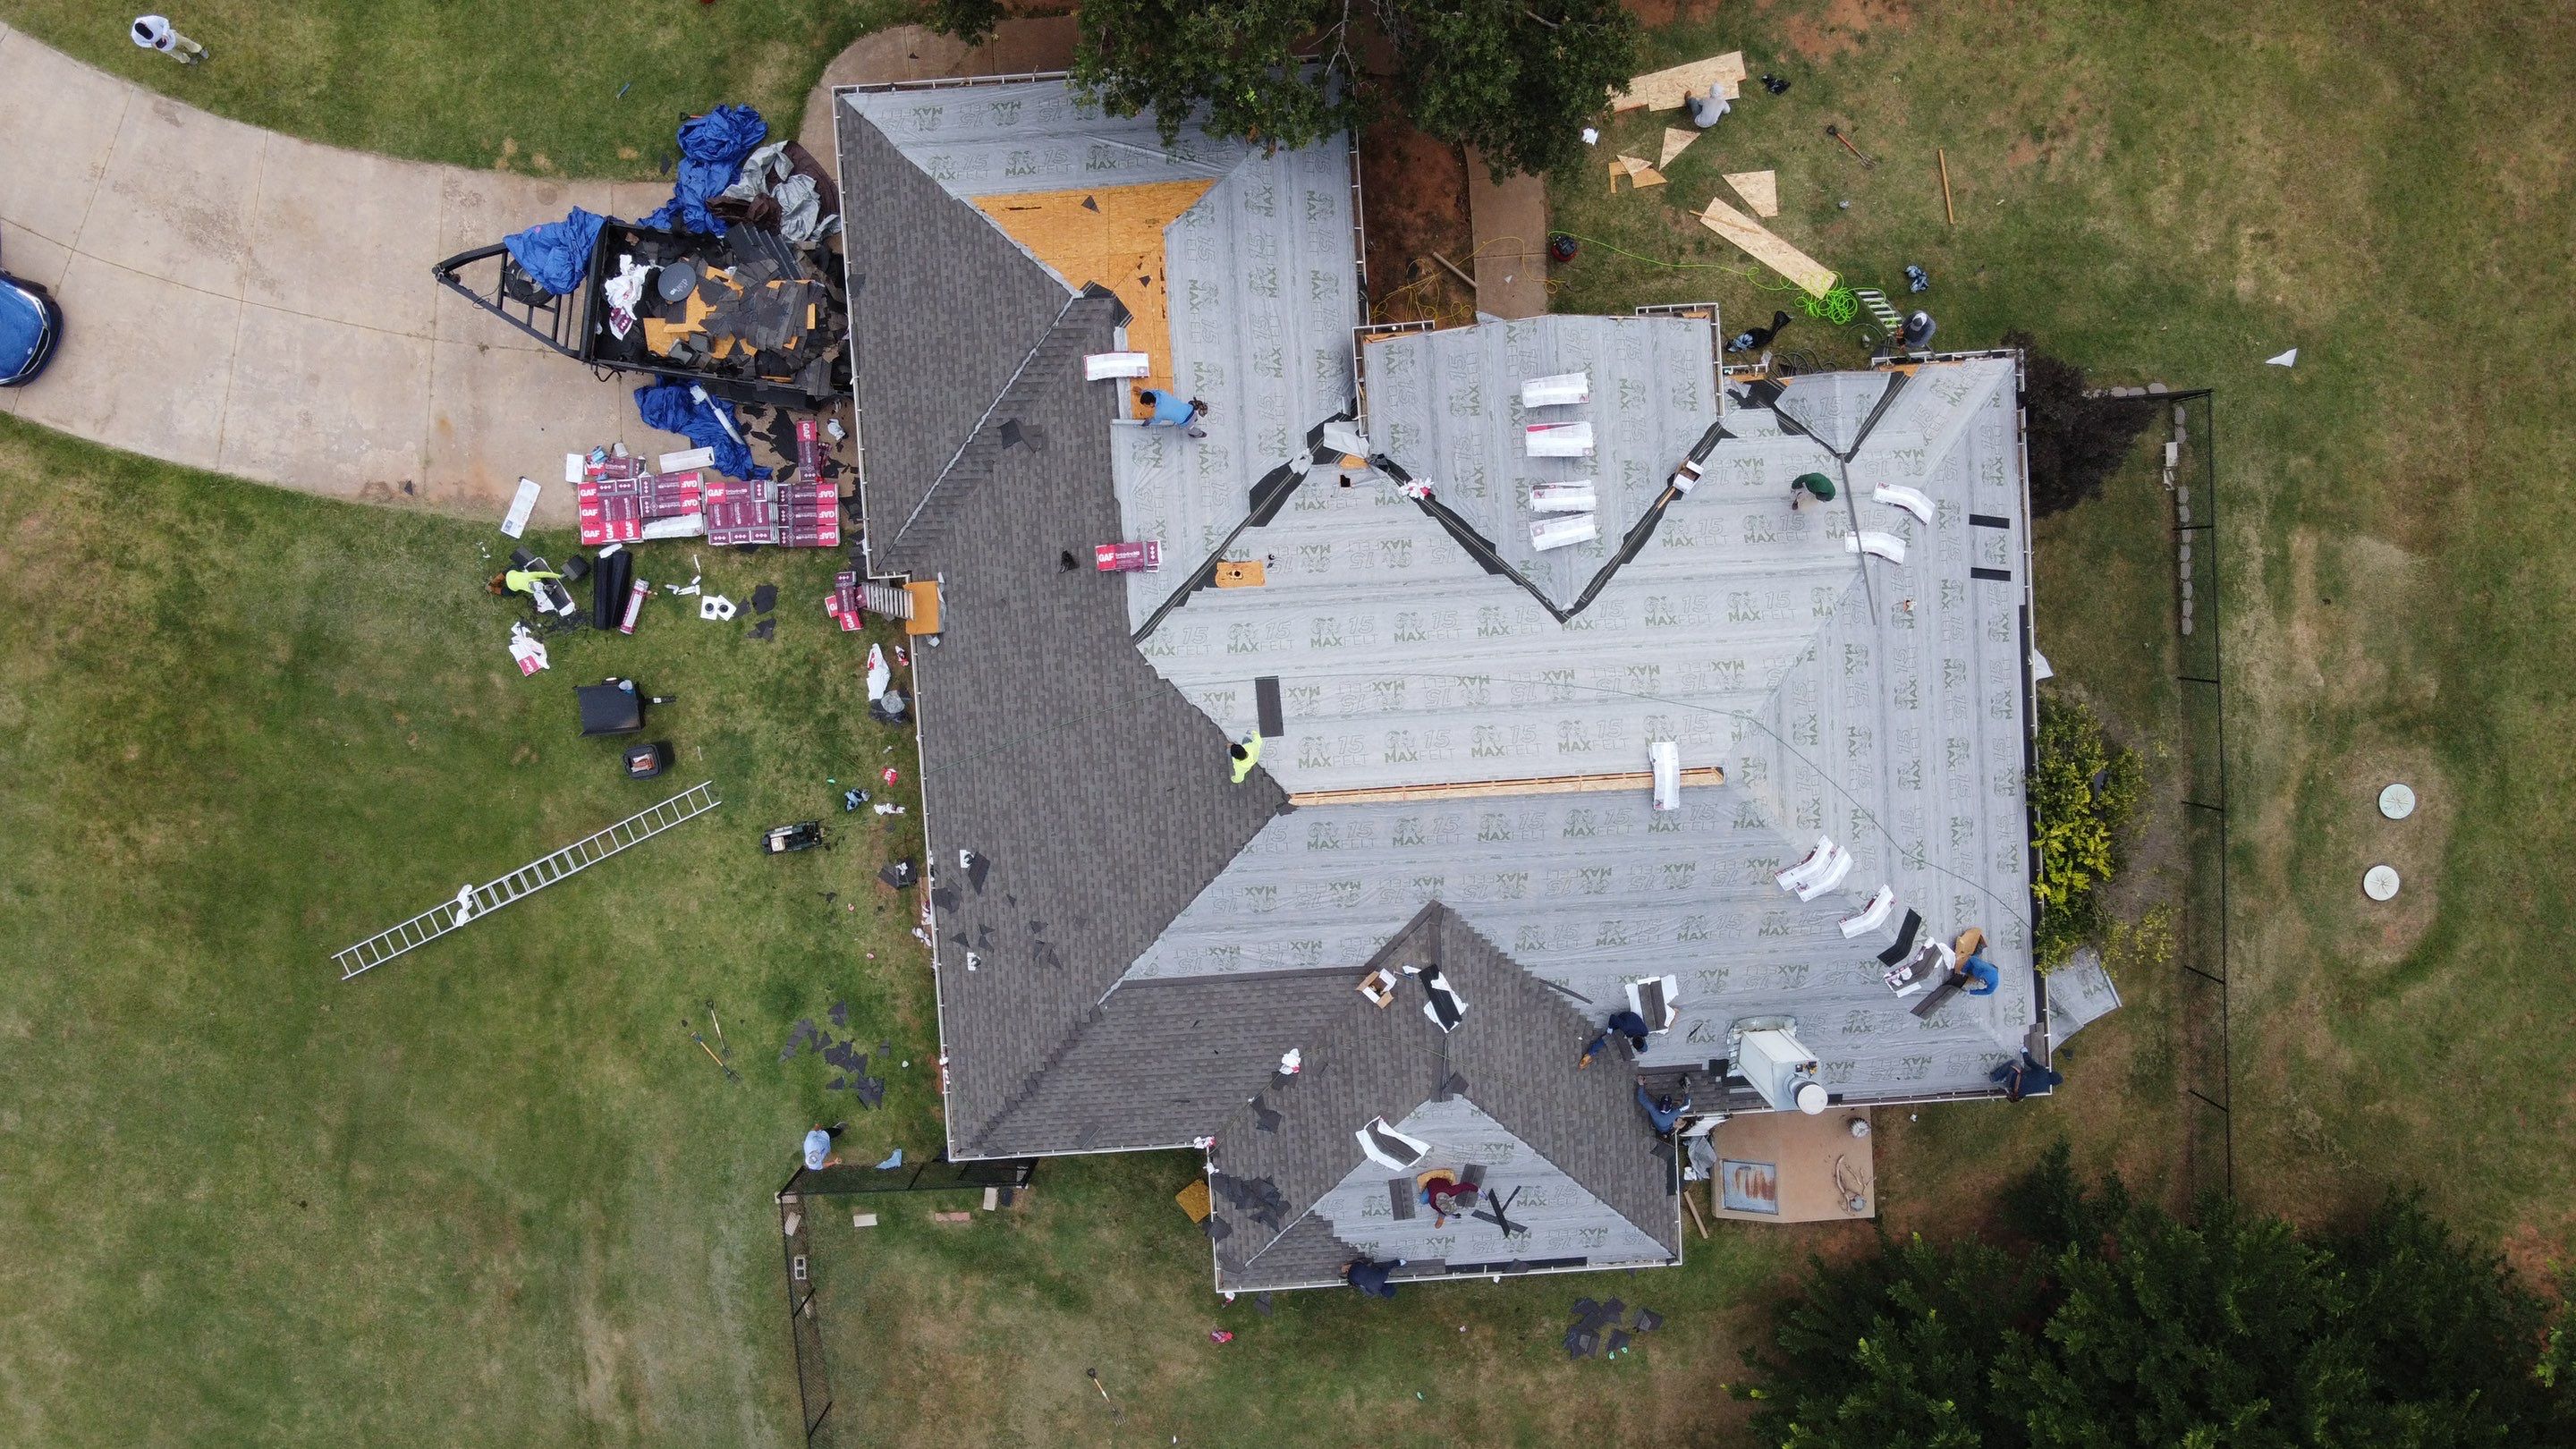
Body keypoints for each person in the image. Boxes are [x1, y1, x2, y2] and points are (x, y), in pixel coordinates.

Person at [1579, 1009, 1652, 1067]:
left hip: (1633, 1020)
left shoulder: (1645, 1032)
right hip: (1623, 1018)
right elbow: (1612, 1017)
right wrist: (1610, 1029)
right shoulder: (1625, 1027)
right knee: (1606, 1038)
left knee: (1643, 1049)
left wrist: (1641, 1049)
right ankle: (1589, 1054)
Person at [130, 14, 207, 64]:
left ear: (145, 25)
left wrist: (164, 34)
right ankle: (188, 60)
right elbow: (140, 43)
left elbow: (165, 21)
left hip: (171, 36)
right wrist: (151, 44)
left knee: (185, 41)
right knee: (175, 54)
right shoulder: (135, 35)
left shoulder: (152, 20)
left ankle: (199, 50)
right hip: (162, 46)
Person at [1990, 1052, 2063, 1103]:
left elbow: (2029, 1062)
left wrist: (2025, 1052)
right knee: (2021, 1071)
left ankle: (1994, 1077)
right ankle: (2005, 1079)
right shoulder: (2045, 1088)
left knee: (2014, 1062)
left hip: (2013, 1081)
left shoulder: (2043, 1071)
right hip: (2013, 1092)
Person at [1140, 389, 1209, 440]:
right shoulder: (1161, 393)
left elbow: (1156, 420)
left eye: (1146, 405)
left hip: (1186, 421)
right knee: (1189, 413)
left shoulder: (1159, 412)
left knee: (1190, 430)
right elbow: (1153, 392)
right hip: (1191, 409)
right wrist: (1142, 391)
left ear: (1151, 404)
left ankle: (1200, 434)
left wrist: (1148, 421)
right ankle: (1195, 418)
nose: (1146, 407)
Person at [1727, 309, 1793, 353]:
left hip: (1757, 337)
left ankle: (1782, 319)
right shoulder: (1741, 339)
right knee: (1770, 334)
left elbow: (1746, 344)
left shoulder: (1743, 340)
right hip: (1756, 336)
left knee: (1771, 334)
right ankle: (1782, 320)